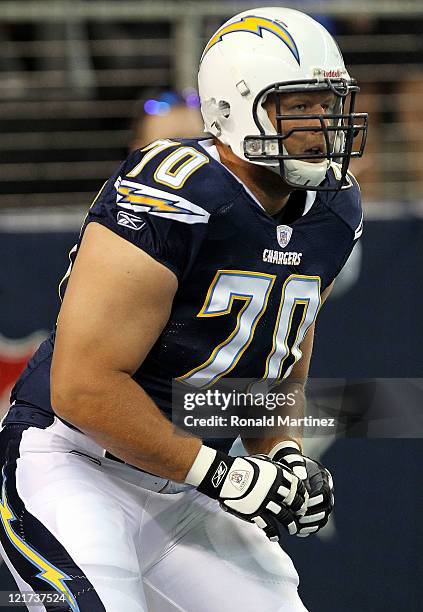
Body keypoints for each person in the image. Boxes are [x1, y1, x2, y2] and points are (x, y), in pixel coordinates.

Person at [0, 7, 367, 611]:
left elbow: (280, 355)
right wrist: (224, 476)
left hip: (188, 481)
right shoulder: (174, 191)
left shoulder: (333, 210)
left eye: (328, 104)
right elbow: (82, 388)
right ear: (236, 104)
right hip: (75, 463)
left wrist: (283, 456)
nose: (322, 124)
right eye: (299, 105)